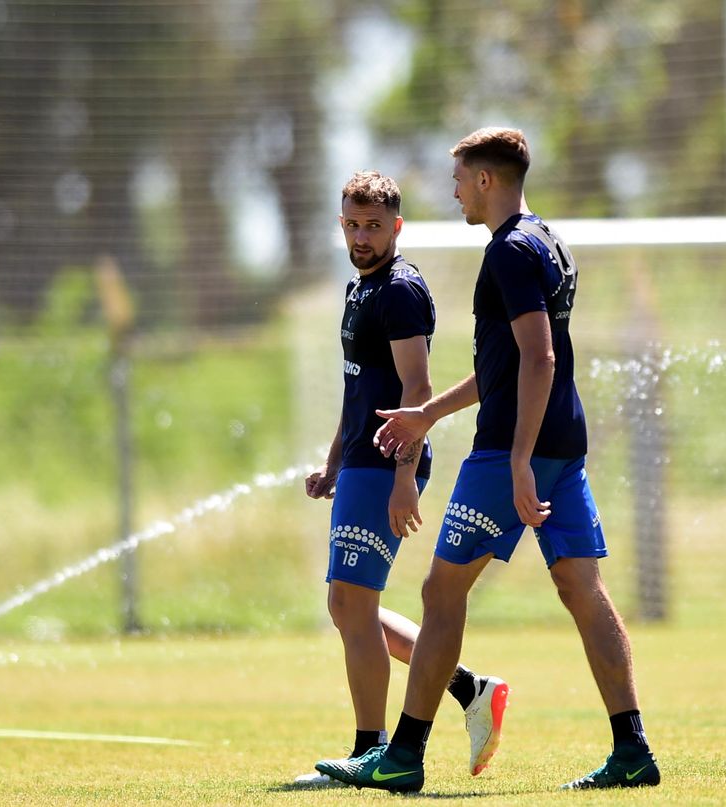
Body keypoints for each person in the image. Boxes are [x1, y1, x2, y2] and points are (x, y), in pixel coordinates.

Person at [315, 128, 659, 794]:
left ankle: (402, 753)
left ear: (485, 180)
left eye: (460, 178)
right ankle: (632, 748)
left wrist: (520, 458)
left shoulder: (507, 251)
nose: (454, 191)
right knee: (583, 593)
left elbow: (538, 357)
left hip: (511, 449)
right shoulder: (549, 241)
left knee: (441, 593)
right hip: (565, 442)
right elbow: (502, 366)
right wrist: (431, 415)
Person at [296, 170, 508, 786]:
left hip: (388, 463)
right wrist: (334, 461)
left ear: (396, 226)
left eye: (374, 225)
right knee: (348, 607)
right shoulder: (359, 290)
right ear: (342, 225)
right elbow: (356, 388)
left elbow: (417, 391)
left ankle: (371, 748)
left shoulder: (401, 289)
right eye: (353, 225)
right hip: (361, 461)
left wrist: (402, 478)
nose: (363, 236)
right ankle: (471, 688)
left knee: (350, 604)